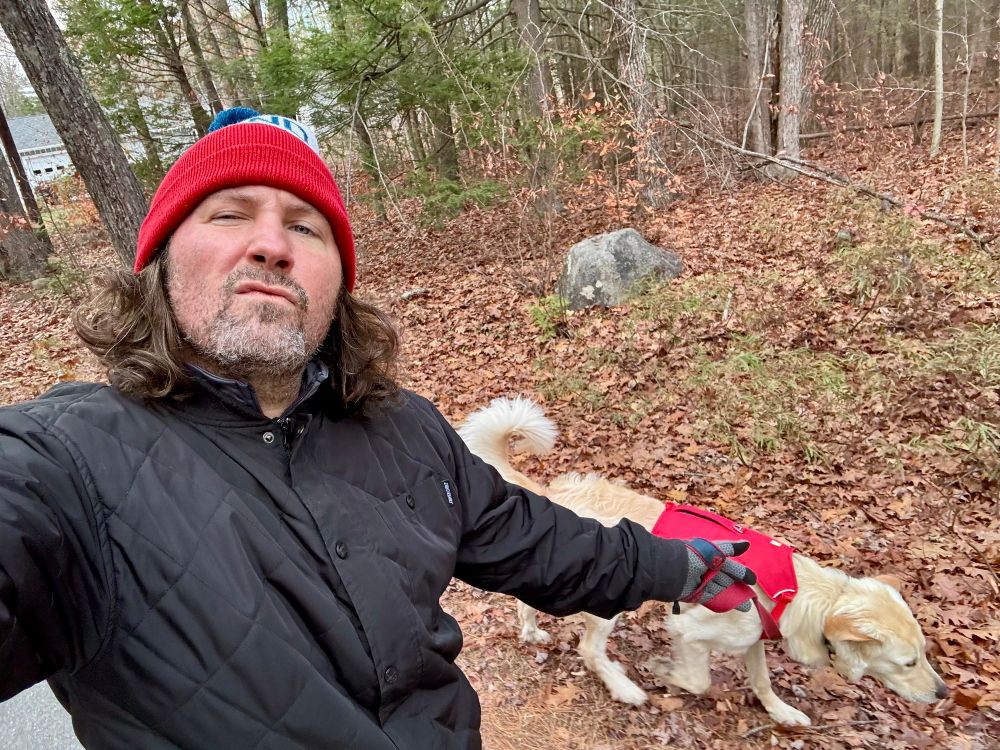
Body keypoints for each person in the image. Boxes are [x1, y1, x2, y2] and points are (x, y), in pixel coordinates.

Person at [0, 108, 758, 750]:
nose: (271, 244)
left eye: (306, 225)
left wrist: (678, 568)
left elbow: (531, 538)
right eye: (228, 213)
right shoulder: (64, 465)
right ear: (160, 262)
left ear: (337, 280)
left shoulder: (403, 427)